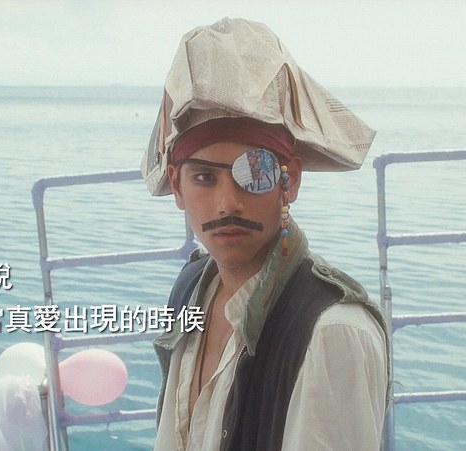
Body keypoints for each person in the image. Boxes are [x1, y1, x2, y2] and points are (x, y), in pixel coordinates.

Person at [141, 17, 389, 451]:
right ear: (178, 186)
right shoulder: (190, 289)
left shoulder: (330, 333)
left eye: (253, 173)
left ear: (289, 181)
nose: (227, 203)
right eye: (204, 178)